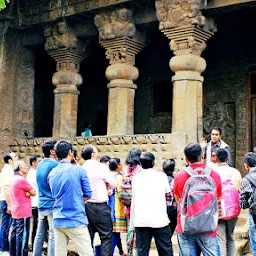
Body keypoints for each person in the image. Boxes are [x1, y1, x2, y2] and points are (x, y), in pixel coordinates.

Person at [173, 143, 222, 256]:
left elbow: (178, 200)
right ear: (203, 156)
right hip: (208, 227)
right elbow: (218, 199)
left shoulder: (179, 176)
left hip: (186, 227)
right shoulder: (214, 175)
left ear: (186, 159)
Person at [48, 140, 93, 256]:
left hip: (58, 218)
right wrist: (77, 198)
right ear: (70, 152)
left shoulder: (52, 173)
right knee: (87, 253)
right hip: (76, 219)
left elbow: (54, 195)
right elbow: (88, 194)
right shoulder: (79, 170)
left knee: (59, 253)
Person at [130, 152, 173, 256]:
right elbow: (168, 194)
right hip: (160, 220)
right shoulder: (161, 176)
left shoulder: (135, 178)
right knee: (166, 251)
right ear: (154, 163)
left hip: (141, 221)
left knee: (142, 251)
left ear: (140, 163)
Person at [81, 145, 116, 256]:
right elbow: (113, 183)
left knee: (88, 237)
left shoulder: (81, 168)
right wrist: (107, 187)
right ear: (93, 154)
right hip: (100, 206)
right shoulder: (100, 167)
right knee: (106, 236)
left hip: (86, 206)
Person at [33, 139, 58, 256]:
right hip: (52, 204)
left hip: (42, 203)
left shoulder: (40, 164)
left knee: (40, 234)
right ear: (52, 151)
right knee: (53, 235)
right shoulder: (55, 164)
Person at [215, 148, 242, 256]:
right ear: (228, 158)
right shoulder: (235, 172)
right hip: (233, 210)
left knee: (221, 239)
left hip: (219, 210)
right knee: (230, 236)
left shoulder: (213, 172)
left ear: (216, 159)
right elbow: (239, 190)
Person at [10, 160, 36, 256]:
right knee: (23, 235)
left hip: (16, 210)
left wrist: (26, 193)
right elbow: (34, 192)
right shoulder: (22, 180)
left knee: (15, 233)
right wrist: (28, 193)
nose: (27, 167)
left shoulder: (13, 179)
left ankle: (13, 253)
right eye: (25, 166)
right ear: (20, 168)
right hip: (23, 211)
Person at [121, 148, 142, 256]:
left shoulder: (125, 169)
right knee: (138, 231)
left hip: (127, 205)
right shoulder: (140, 169)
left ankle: (129, 253)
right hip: (137, 205)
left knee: (130, 229)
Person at [108, 158, 127, 256]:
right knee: (115, 233)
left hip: (107, 208)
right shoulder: (119, 178)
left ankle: (121, 251)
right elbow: (121, 193)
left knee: (115, 232)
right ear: (118, 165)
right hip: (117, 209)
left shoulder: (107, 175)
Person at [0, 152, 18, 255]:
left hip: (7, 200)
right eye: (15, 157)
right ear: (10, 160)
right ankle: (3, 248)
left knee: (6, 224)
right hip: (6, 201)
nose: (16, 158)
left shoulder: (7, 169)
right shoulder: (7, 170)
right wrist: (9, 204)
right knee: (5, 225)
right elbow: (6, 188)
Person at [240, 152, 256, 254]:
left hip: (254, 214)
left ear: (246, 165)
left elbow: (244, 204)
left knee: (254, 241)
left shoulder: (246, 180)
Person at [26, 154, 41, 250]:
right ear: (33, 163)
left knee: (37, 225)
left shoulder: (34, 173)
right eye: (39, 161)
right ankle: (35, 245)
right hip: (35, 203)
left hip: (36, 202)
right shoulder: (33, 174)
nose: (41, 163)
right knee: (37, 226)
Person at [162, 159, 177, 237]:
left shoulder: (160, 180)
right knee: (169, 233)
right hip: (173, 210)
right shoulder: (175, 180)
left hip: (161, 209)